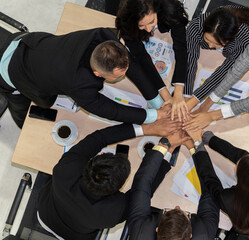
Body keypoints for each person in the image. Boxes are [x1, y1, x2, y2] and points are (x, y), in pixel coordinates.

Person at [37, 119, 180, 239]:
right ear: (117, 189)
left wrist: (148, 128)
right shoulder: (113, 211)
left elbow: (100, 138)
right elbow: (143, 189)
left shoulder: (65, 169)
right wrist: (168, 152)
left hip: (44, 212)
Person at [0, 28, 170, 128]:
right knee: (23, 108)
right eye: (120, 75)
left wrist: (156, 101)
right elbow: (112, 110)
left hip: (28, 43)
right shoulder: (78, 85)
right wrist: (154, 116)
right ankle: (22, 126)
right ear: (97, 74)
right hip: (13, 72)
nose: (126, 73)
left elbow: (128, 62)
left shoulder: (103, 37)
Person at [186, 129, 249, 239]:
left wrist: (198, 146)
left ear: (243, 180)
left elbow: (210, 179)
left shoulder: (229, 199)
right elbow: (244, 157)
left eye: (238, 167)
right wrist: (210, 139)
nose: (237, 162)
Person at [172, 6, 249, 122]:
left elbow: (224, 71)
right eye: (207, 39)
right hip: (226, 18)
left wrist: (196, 100)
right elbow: (190, 59)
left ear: (229, 39)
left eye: (217, 43)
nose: (210, 46)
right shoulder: (196, 26)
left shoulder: (244, 39)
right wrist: (186, 96)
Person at [127, 134, 220, 239]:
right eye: (185, 214)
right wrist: (195, 148)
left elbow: (142, 184)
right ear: (190, 236)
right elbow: (211, 190)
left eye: (169, 211)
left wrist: (164, 145)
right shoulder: (204, 234)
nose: (177, 207)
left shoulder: (140, 232)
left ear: (157, 229)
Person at [116, 0, 189, 110]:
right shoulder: (126, 21)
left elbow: (181, 48)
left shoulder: (171, 9)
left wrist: (178, 92)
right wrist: (166, 95)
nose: (149, 29)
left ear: (157, 9)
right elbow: (141, 56)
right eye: (141, 25)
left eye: (152, 22)